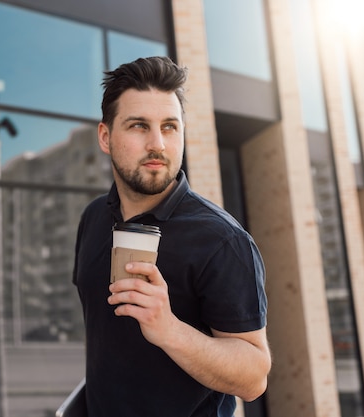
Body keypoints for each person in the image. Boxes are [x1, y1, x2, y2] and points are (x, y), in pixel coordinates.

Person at [72, 56, 271, 417]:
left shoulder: (222, 240)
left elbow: (254, 377)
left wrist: (169, 329)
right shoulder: (93, 218)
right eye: (138, 126)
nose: (158, 144)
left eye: (169, 127)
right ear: (105, 136)